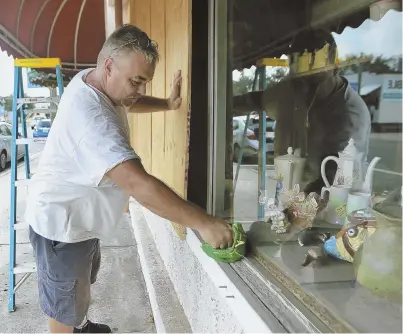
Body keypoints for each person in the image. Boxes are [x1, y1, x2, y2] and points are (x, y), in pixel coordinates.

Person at [25, 24, 233, 333]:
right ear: (109, 66)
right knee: (64, 305)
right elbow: (139, 184)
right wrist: (204, 223)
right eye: (136, 81)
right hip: (61, 227)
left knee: (79, 287)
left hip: (81, 218)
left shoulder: (94, 80)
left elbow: (128, 101)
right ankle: (73, 326)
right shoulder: (92, 120)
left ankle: (82, 325)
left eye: (145, 82)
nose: (140, 90)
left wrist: (167, 104)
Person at [233, 29, 371, 193]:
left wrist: (299, 210)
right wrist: (218, 106)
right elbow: (256, 100)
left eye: (314, 82)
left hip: (337, 208)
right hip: (295, 199)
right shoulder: (291, 90)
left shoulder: (349, 115)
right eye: (299, 82)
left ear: (335, 68)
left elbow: (333, 178)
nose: (305, 91)